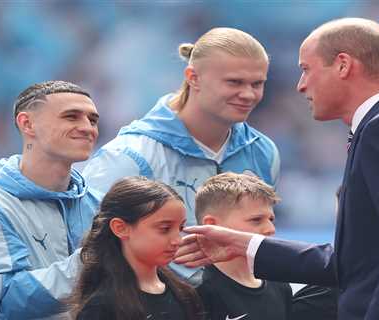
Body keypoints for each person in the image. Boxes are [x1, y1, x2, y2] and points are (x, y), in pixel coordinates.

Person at [175, 17, 379, 320]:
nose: (301, 85)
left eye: (306, 69)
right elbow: (358, 262)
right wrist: (247, 245)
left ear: (343, 65)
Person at [82, 27, 280, 229]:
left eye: (257, 84)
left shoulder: (264, 152)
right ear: (193, 78)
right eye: (234, 82)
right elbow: (87, 247)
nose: (248, 94)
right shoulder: (128, 158)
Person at [0, 81, 101, 319]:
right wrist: (94, 259)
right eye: (71, 117)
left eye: (92, 120)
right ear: (27, 124)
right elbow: (3, 300)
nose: (87, 128)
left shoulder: (101, 205)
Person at [70, 176, 204, 320]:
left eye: (180, 228)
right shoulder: (102, 307)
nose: (178, 240)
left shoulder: (184, 295)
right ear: (120, 228)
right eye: (165, 229)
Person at [191, 172, 291, 320]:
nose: (271, 229)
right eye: (256, 220)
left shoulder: (280, 286)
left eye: (271, 219)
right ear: (212, 226)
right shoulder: (196, 292)